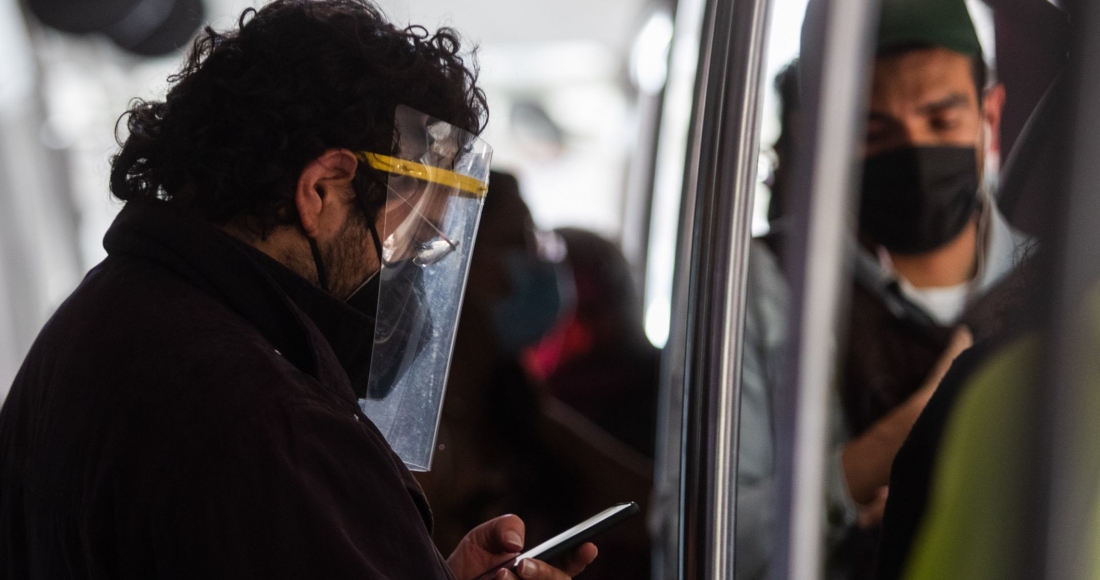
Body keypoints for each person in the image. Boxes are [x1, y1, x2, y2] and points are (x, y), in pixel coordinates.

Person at [0, 2, 596, 578]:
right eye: (411, 242)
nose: (410, 275)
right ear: (323, 190)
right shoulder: (271, 425)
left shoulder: (100, 320)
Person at [734, 0, 1033, 576]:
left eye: (941, 121)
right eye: (873, 131)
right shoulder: (760, 289)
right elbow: (699, 539)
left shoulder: (1050, 282)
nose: (914, 150)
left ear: (990, 116)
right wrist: (900, 439)